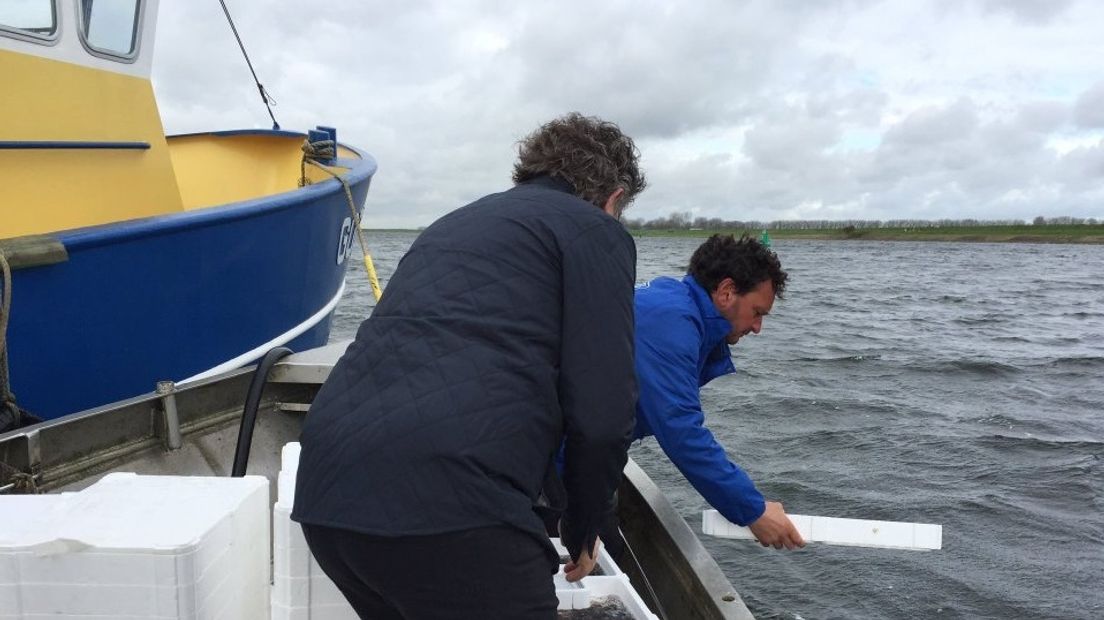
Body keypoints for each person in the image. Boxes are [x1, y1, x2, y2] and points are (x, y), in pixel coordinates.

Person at [292, 113, 646, 619]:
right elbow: (604, 413)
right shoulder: (596, 231)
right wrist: (584, 523)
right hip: (453, 510)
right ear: (614, 198)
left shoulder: (453, 222)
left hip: (328, 498)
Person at [633, 234, 805, 550]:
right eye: (757, 312)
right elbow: (680, 430)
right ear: (726, 292)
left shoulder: (670, 301)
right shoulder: (671, 323)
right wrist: (753, 510)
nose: (757, 328)